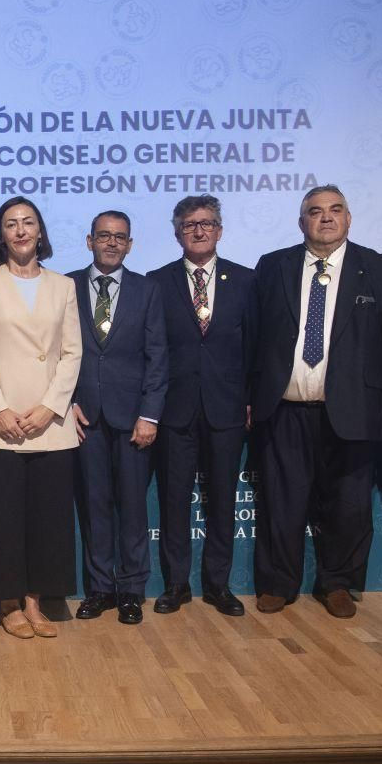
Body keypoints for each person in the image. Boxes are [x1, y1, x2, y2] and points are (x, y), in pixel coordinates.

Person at [250, 185, 382, 619]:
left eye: (335, 210)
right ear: (301, 221)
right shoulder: (273, 266)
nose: (325, 218)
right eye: (315, 211)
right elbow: (252, 338)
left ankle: (337, 583)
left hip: (353, 408)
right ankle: (278, 583)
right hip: (283, 407)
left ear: (348, 218)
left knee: (347, 503)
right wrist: (248, 398)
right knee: (282, 501)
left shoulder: (377, 269)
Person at [0, 196, 83, 638]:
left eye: (28, 222)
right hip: (0, 423)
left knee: (46, 518)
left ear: (40, 231)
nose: (20, 230)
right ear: (1, 235)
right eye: (11, 224)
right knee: (2, 517)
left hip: (49, 423)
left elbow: (72, 353)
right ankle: (8, 603)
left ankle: (36, 602)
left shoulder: (63, 286)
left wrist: (51, 407)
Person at [147, 194, 256, 619]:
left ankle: (218, 584)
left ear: (220, 231)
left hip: (228, 410)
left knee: (222, 501)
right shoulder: (156, 282)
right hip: (175, 411)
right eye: (190, 224)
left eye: (207, 223)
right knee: (174, 501)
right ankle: (176, 584)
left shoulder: (246, 281)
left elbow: (256, 348)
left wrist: (250, 399)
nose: (199, 230)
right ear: (177, 233)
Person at [70, 210, 168, 625]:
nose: (112, 243)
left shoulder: (147, 291)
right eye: (104, 236)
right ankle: (100, 589)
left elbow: (158, 357)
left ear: (130, 245)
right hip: (82, 417)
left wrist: (150, 415)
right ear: (89, 240)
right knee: (94, 508)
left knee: (131, 508)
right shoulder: (64, 286)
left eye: (120, 237)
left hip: (133, 420)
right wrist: (64, 403)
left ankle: (131, 590)